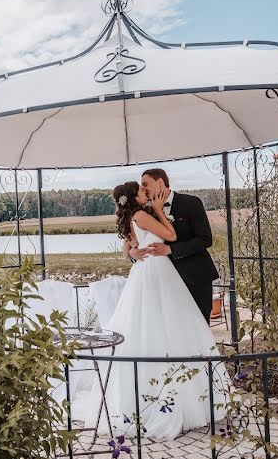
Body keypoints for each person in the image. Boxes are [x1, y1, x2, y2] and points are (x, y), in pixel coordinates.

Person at [72, 181, 231, 441]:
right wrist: (158, 211)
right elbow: (171, 236)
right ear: (134, 196)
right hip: (158, 271)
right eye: (141, 190)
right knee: (169, 324)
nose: (145, 192)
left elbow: (128, 251)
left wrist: (134, 250)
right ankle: (178, 399)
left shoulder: (128, 218)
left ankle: (142, 398)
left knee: (144, 328)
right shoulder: (143, 214)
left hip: (143, 273)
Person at [127, 168, 219, 323]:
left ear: (160, 182)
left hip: (194, 277)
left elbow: (205, 239)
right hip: (163, 282)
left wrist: (171, 249)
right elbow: (133, 240)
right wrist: (132, 254)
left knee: (199, 325)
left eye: (145, 184)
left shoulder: (191, 203)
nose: (143, 189)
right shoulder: (144, 211)